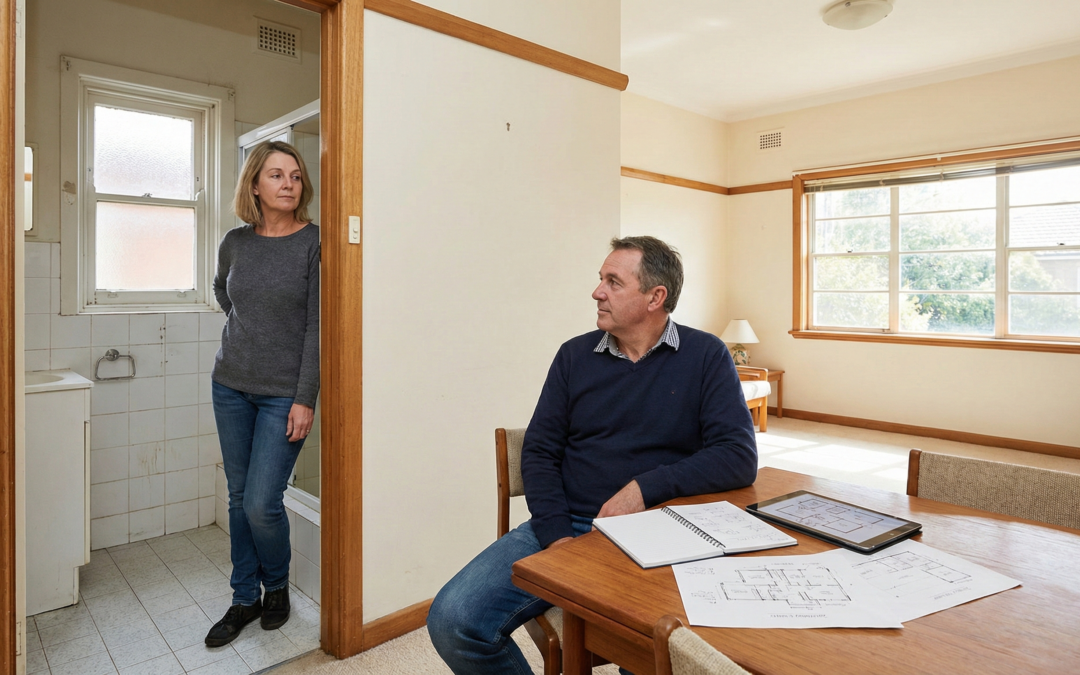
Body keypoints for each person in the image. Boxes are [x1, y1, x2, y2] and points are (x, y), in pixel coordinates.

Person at [427, 236, 758, 674]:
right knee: (454, 620)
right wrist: (559, 538)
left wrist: (644, 487)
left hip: (663, 531)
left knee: (652, 653)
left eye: (613, 282)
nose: (596, 291)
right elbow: (540, 452)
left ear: (655, 297)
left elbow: (737, 455)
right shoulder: (574, 356)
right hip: (573, 523)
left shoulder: (705, 356)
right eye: (600, 279)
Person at [204, 141, 321, 647]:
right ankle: (243, 598)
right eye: (275, 175)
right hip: (230, 384)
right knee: (236, 498)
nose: (288, 183)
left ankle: (277, 588)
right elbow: (222, 291)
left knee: (261, 502)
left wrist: (305, 397)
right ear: (255, 184)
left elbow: (318, 328)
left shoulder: (315, 242)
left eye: (294, 175)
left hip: (282, 395)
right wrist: (248, 328)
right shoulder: (236, 241)